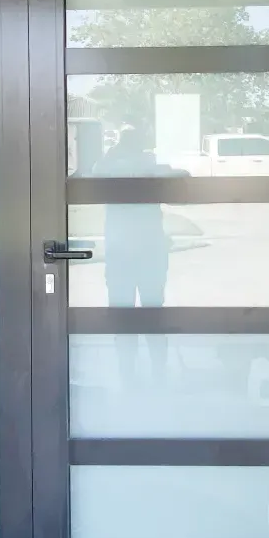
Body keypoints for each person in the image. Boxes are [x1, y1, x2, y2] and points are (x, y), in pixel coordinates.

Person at [92, 124, 187, 384]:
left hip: (122, 253)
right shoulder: (150, 166)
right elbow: (184, 177)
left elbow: (95, 173)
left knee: (123, 316)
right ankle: (158, 371)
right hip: (149, 252)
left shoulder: (108, 168)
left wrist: (113, 153)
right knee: (153, 313)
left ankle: (127, 374)